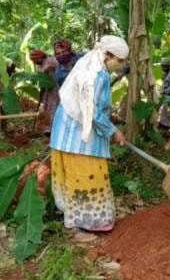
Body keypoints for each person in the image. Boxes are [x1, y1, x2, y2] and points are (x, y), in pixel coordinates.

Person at [49, 35, 128, 235]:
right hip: (76, 134)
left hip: (68, 130)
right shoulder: (97, 74)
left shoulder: (91, 64)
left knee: (77, 177)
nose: (121, 65)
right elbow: (91, 112)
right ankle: (78, 226)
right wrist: (113, 131)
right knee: (84, 177)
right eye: (120, 61)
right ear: (108, 55)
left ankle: (77, 219)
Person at [30, 49, 59, 135]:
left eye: (36, 60)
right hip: (48, 90)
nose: (35, 62)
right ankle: (48, 128)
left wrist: (47, 70)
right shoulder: (41, 64)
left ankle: (55, 129)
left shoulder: (50, 60)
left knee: (54, 107)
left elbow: (54, 67)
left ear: (41, 57)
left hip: (55, 88)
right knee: (47, 108)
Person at [0, 62, 17, 133]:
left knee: (5, 114)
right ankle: (3, 128)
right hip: (3, 99)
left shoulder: (11, 77)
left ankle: (4, 127)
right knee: (3, 113)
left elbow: (13, 87)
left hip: (7, 98)